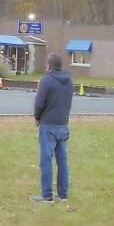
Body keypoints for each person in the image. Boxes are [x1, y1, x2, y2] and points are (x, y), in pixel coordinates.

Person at [31, 53, 73, 203]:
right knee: (62, 160)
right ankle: (63, 194)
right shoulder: (69, 81)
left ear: (49, 66)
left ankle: (46, 195)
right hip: (63, 124)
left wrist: (37, 118)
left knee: (46, 160)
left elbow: (39, 103)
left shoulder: (46, 81)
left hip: (48, 125)